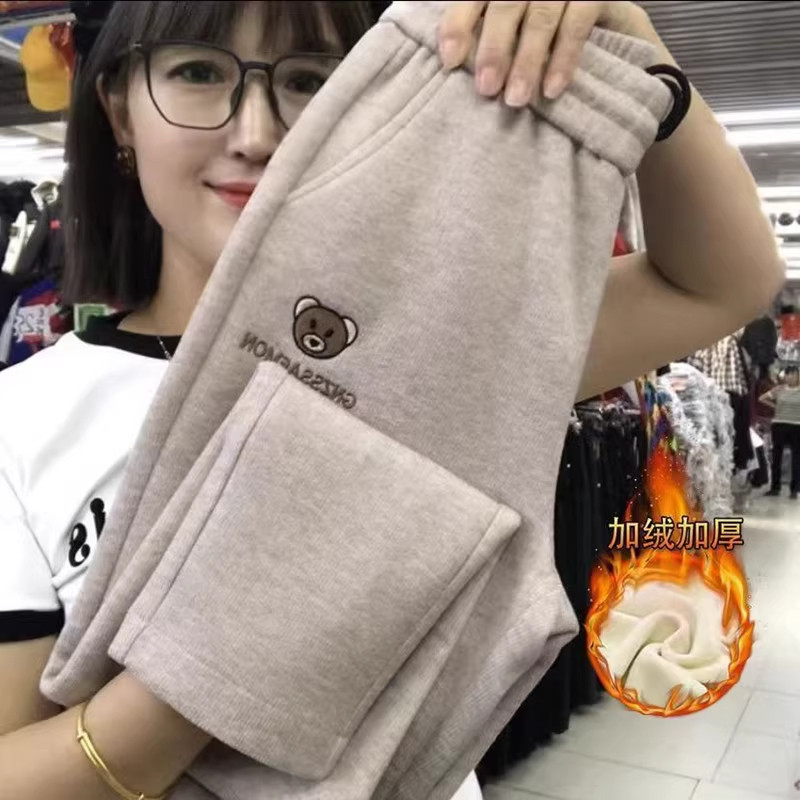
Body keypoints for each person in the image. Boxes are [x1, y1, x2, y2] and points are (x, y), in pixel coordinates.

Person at [0, 2, 785, 798]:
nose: (256, 133)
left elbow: (727, 284)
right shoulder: (22, 419)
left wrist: (627, 37)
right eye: (196, 72)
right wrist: (222, 660)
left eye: (310, 80)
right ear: (119, 112)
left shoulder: (452, 344)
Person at [761, 365, 800, 499]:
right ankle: (775, 488)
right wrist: (775, 406)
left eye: (794, 375)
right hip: (779, 424)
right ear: (785, 376)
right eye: (789, 375)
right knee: (777, 457)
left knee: (797, 458)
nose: (791, 377)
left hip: (797, 426)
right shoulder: (779, 389)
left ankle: (795, 489)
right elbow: (762, 398)